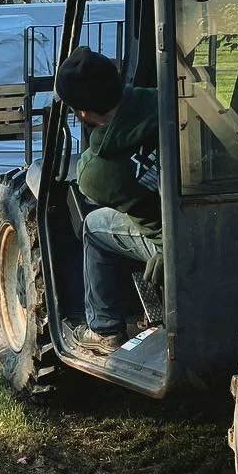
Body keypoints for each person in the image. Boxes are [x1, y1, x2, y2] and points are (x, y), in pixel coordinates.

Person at [54, 46, 161, 357]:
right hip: (210, 215)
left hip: (172, 242)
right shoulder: (172, 101)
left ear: (83, 113)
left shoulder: (95, 173)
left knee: (94, 224)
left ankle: (104, 329)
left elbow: (104, 194)